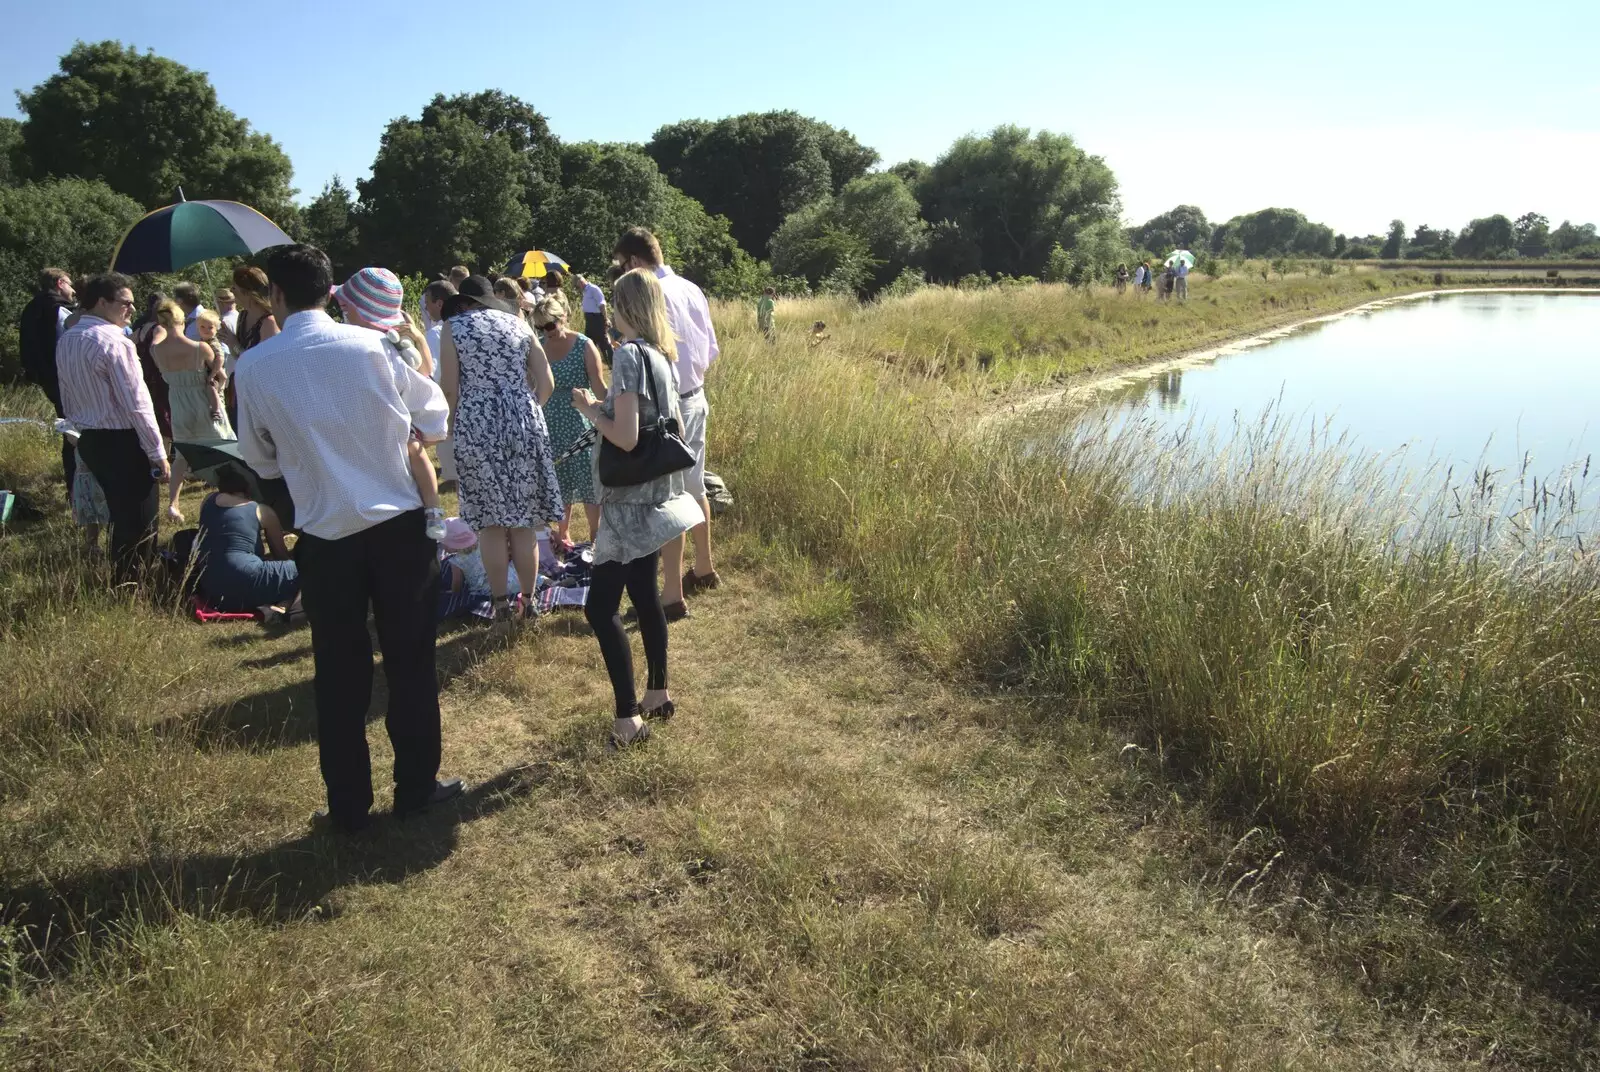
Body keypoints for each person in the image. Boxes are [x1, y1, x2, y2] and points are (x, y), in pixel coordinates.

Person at [236, 243, 458, 833]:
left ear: (276, 296)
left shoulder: (253, 367)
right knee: (410, 662)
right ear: (329, 291)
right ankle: (415, 787)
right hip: (398, 528)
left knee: (338, 673)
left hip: (325, 533)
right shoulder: (375, 345)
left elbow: (260, 458)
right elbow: (435, 421)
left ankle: (348, 808)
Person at [571, 268, 704, 749]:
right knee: (645, 596)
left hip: (628, 505)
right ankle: (658, 693)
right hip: (658, 497)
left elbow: (625, 437)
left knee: (600, 608)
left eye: (612, 302)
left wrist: (590, 409)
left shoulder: (627, 355)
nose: (606, 311)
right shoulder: (661, 355)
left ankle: (628, 719)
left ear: (625, 306)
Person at [438, 275, 563, 620]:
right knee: (523, 523)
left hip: (477, 425)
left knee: (491, 525)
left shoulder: (454, 328)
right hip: (524, 421)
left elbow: (449, 388)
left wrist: (448, 430)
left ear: (464, 303)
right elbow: (547, 382)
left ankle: (500, 606)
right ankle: (530, 602)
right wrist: (526, 408)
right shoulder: (517, 323)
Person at [612, 227, 720, 619]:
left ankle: (671, 595)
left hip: (667, 407)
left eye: (622, 267)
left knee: (667, 498)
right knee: (695, 485)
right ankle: (704, 568)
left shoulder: (648, 293)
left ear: (635, 262)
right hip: (696, 395)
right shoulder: (691, 287)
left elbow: (652, 358)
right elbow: (710, 349)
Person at [55, 272, 169, 580]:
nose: (131, 310)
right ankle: (133, 587)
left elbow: (66, 393)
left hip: (90, 439)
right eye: (125, 303)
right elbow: (137, 402)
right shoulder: (114, 342)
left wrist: (77, 431)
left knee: (120, 516)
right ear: (102, 302)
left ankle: (123, 582)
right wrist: (157, 452)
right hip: (122, 440)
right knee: (140, 521)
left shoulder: (68, 339)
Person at [332, 267, 448, 541]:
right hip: (374, 419)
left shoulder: (390, 344)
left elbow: (425, 374)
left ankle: (433, 508)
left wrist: (416, 344)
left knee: (415, 451)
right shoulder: (365, 343)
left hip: (397, 416)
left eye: (346, 307)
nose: (343, 312)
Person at [533, 293, 607, 547]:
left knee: (589, 482)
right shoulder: (539, 347)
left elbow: (598, 386)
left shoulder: (584, 345)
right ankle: (562, 534)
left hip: (580, 420)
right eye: (540, 327)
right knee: (559, 480)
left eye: (550, 325)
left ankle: (596, 536)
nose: (546, 331)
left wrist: (616, 407)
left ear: (563, 317)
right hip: (550, 420)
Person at [151, 300, 231, 522]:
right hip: (203, 402)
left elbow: (157, 341)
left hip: (178, 404)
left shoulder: (156, 351)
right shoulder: (200, 348)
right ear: (183, 321)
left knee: (181, 456)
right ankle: (231, 495)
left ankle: (173, 504)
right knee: (225, 446)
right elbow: (217, 375)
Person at [194, 463, 301, 617]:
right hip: (245, 580)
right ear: (249, 487)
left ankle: (277, 605)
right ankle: (284, 607)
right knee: (304, 570)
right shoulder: (262, 511)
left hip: (212, 589)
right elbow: (281, 555)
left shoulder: (208, 500)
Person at [17, 267, 78, 489]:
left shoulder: (32, 308)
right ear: (60, 283)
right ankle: (77, 489)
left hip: (47, 380)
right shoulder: (60, 310)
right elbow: (72, 345)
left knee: (68, 429)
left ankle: (73, 488)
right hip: (67, 379)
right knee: (76, 434)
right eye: (70, 285)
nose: (73, 291)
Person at [130, 292, 173, 442]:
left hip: (145, 375)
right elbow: (154, 348)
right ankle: (166, 455)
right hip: (158, 376)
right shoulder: (159, 328)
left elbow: (127, 343)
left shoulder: (142, 328)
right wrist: (163, 367)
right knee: (164, 414)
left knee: (154, 412)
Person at [575, 273, 612, 364]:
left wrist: (606, 319)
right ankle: (593, 362)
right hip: (590, 319)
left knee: (603, 341)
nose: (577, 289)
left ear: (580, 282)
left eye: (577, 286)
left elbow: (602, 304)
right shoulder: (586, 291)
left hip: (597, 319)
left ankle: (612, 361)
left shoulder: (593, 289)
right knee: (589, 342)